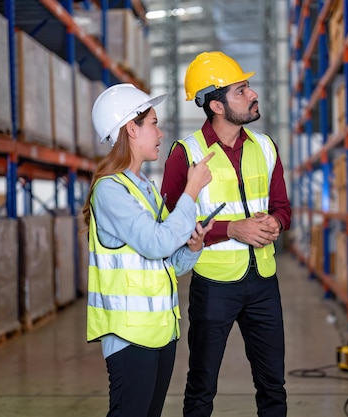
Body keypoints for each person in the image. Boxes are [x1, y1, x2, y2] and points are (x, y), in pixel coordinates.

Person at [161, 51, 292, 417]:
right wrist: (231, 229)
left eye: (248, 87)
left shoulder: (265, 146)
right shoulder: (185, 154)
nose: (253, 95)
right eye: (241, 90)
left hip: (264, 281)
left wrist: (276, 223)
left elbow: (283, 207)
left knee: (273, 385)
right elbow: (170, 225)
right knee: (202, 386)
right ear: (216, 105)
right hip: (214, 284)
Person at [81, 83, 215, 417]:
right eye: (153, 122)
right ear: (131, 128)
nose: (160, 131)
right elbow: (155, 243)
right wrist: (191, 191)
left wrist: (193, 248)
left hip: (160, 332)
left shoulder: (147, 191)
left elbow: (168, 262)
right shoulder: (110, 191)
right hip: (129, 336)